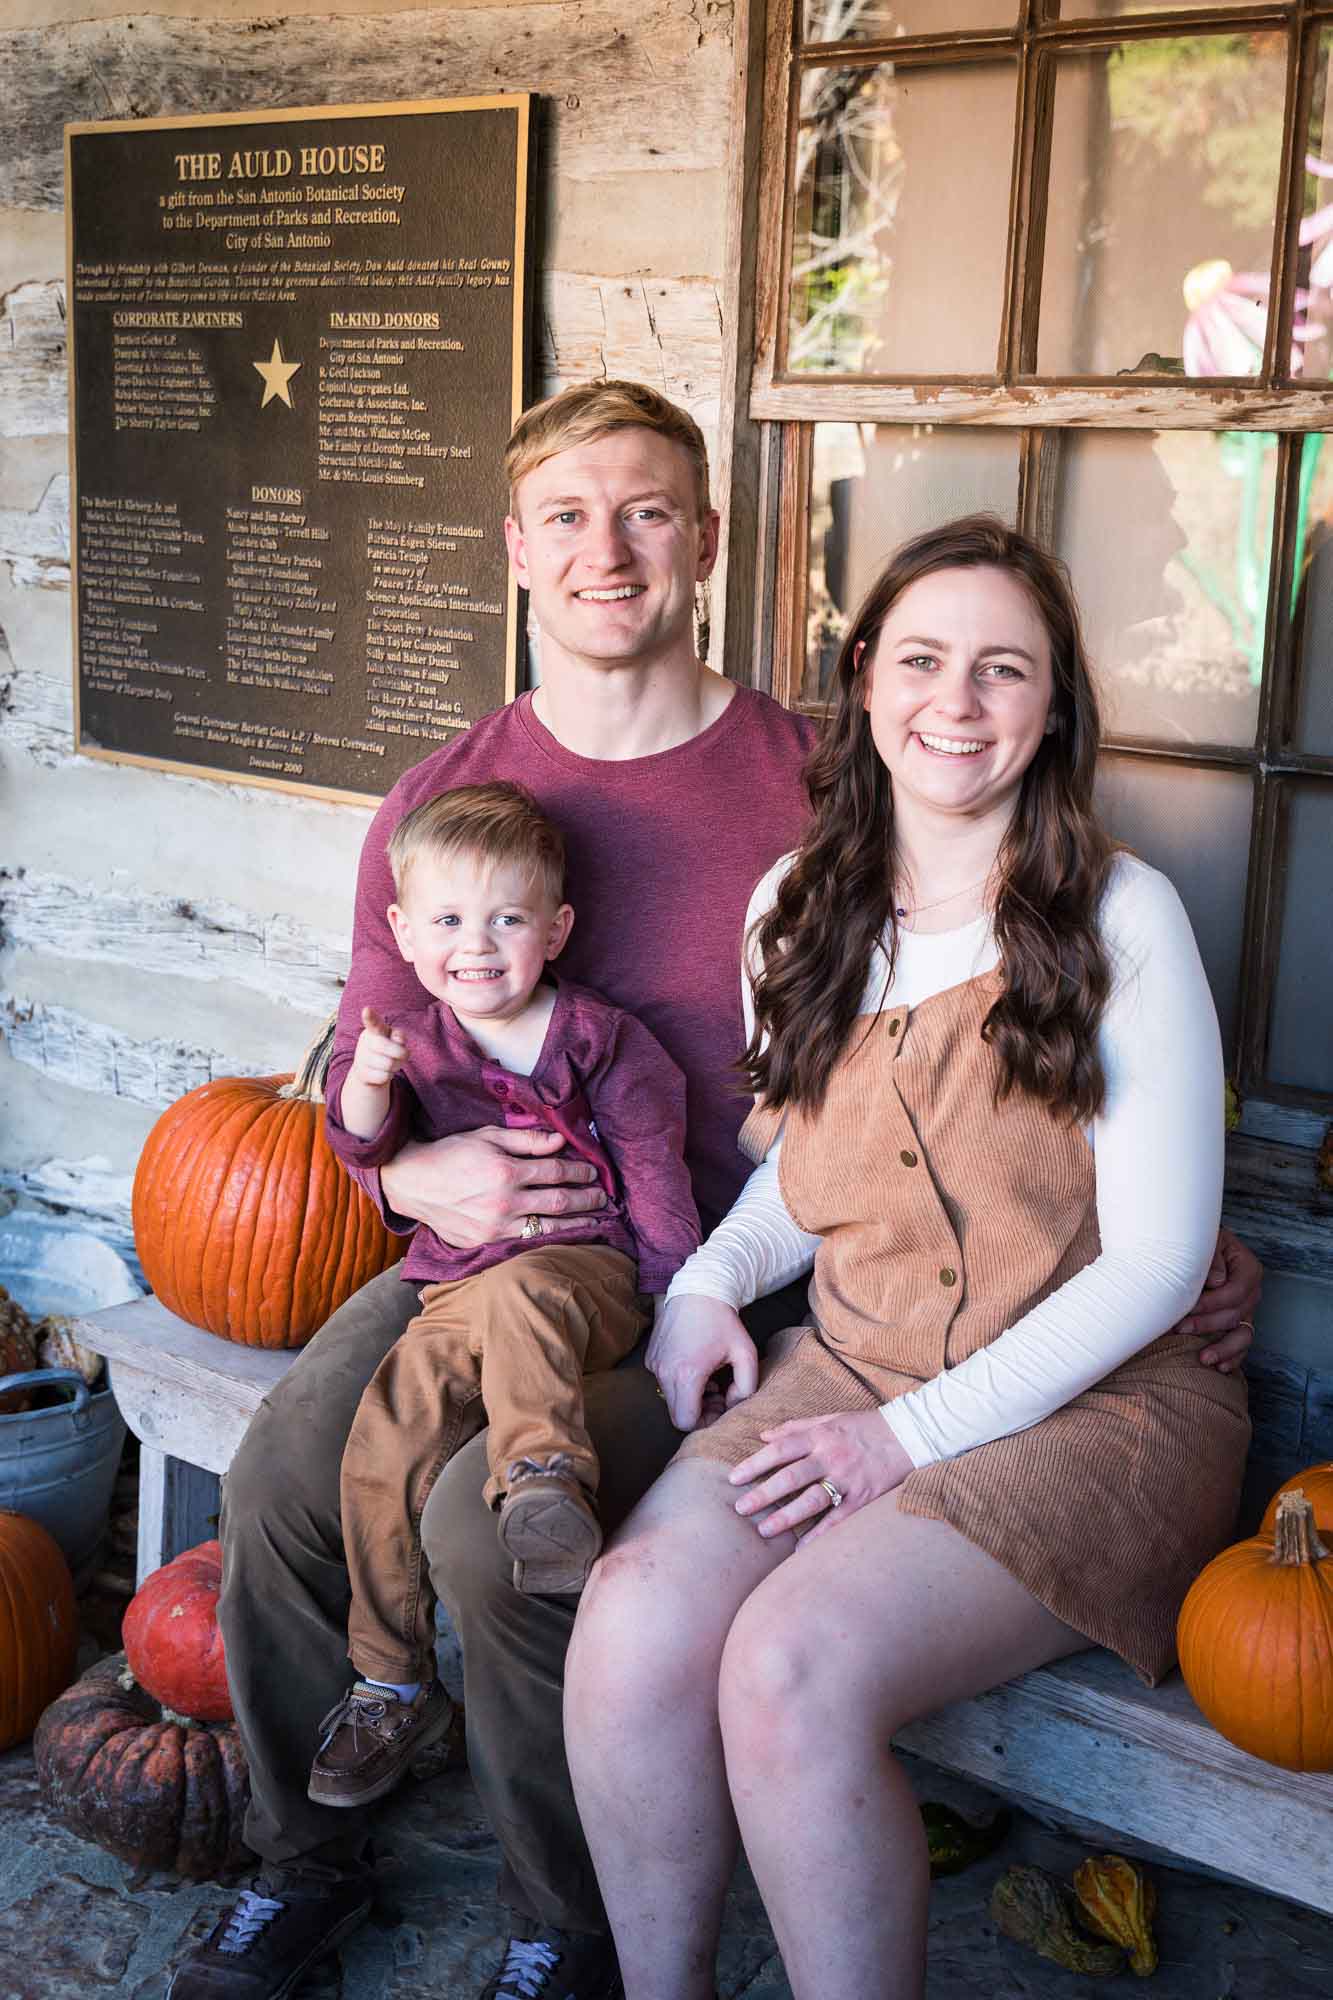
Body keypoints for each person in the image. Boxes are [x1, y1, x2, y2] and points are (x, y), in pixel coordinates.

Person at [168, 389, 1259, 2000]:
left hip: (789, 1290)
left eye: (649, 512)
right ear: (515, 549)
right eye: (566, 515)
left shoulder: (833, 787)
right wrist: (406, 1160)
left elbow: (1055, 1176)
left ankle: (562, 1931)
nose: (608, 551)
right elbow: (388, 1054)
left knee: (527, 1546)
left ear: (708, 541)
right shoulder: (510, 813)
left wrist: (1174, 1242)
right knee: (292, 1479)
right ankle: (306, 1856)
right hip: (553, 1259)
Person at [563, 516, 1256, 2000]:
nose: (958, 700)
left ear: (1054, 703)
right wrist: (699, 1288)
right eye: (925, 659)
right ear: (864, 678)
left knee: (789, 1666)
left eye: (1003, 670)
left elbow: (1157, 1263)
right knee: (632, 1621)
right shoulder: (796, 909)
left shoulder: (1118, 918)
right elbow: (799, 1176)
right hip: (857, 1364)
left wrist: (905, 1440)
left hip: (1101, 1409)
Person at [309, 781, 700, 1814]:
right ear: (402, 929)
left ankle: (542, 1485)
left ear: (556, 927)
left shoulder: (600, 1040)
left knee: (529, 1290)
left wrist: (672, 1300)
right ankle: (391, 1676)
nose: (474, 945)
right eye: (445, 920)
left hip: (589, 1279)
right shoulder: (417, 1042)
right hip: (455, 1292)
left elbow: (654, 1168)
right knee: (385, 1429)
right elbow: (361, 1145)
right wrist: (368, 1078)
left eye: (506, 919)